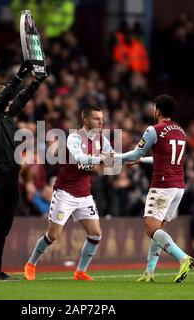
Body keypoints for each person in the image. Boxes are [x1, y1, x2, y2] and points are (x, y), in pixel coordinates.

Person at [24, 106, 123, 281]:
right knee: (53, 235)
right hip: (65, 193)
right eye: (96, 119)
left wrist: (131, 158)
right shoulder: (74, 138)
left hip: (84, 195)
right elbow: (81, 159)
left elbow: (113, 159)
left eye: (101, 118)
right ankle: (31, 264)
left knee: (95, 234)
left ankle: (80, 272)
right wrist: (102, 160)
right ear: (85, 121)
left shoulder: (101, 139)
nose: (101, 122)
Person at [114, 95, 194, 283]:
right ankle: (149, 272)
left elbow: (136, 152)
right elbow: (166, 159)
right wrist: (142, 160)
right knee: (158, 230)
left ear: (157, 110)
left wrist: (116, 156)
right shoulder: (180, 131)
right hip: (178, 187)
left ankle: (183, 258)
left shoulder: (154, 130)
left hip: (162, 186)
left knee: (151, 228)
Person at [0, 60, 47, 281]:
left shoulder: (7, 117)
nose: (10, 103)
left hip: (12, 175)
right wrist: (19, 75)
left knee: (5, 224)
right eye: (5, 100)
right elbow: (5, 101)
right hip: (0, 175)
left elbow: (21, 98)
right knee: (0, 223)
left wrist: (36, 82)